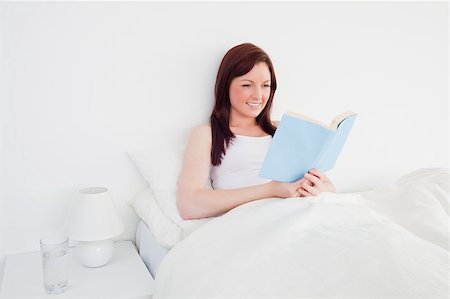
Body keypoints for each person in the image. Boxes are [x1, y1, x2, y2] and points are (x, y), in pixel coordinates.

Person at [177, 43, 336, 220]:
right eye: (247, 85)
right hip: (257, 220)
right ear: (225, 85)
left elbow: (329, 187)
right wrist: (272, 189)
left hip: (303, 212)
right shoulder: (207, 134)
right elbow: (189, 205)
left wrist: (315, 187)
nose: (258, 96)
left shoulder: (282, 129)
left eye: (265, 85)